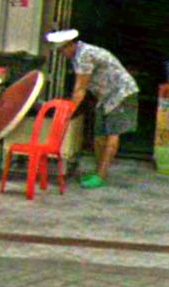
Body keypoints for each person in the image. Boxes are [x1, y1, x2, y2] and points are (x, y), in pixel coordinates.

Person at [46, 29, 139, 189]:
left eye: (62, 51)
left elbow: (80, 89)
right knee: (99, 135)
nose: (62, 54)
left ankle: (101, 175)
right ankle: (98, 171)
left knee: (112, 133)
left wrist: (67, 113)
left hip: (121, 93)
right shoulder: (78, 56)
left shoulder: (85, 55)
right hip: (105, 96)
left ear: (70, 46)